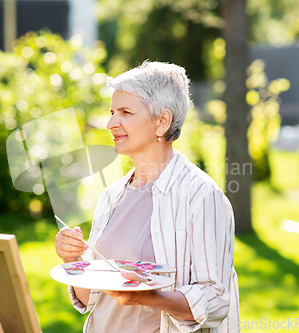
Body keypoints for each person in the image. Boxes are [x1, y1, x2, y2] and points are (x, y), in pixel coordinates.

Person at [55, 61, 240, 333]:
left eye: (125, 112)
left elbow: (216, 300)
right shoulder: (112, 196)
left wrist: (151, 298)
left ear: (161, 122)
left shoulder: (201, 195)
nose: (110, 123)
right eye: (111, 112)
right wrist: (72, 260)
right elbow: (92, 299)